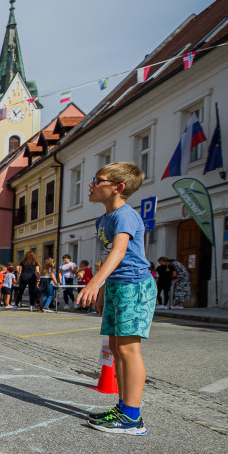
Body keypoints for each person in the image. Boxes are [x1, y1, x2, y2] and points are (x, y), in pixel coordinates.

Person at [76, 161, 156, 436]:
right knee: (115, 347)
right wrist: (105, 290)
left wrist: (95, 284)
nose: (91, 184)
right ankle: (123, 409)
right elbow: (107, 257)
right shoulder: (104, 219)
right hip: (117, 287)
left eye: (98, 180)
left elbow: (119, 252)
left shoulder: (125, 216)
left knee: (128, 349)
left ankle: (133, 418)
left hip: (134, 286)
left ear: (118, 188)